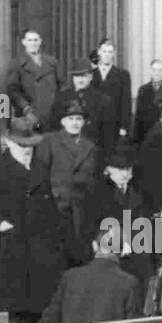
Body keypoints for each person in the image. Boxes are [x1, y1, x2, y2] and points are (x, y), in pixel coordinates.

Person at [0, 116, 69, 323]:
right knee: (18, 316)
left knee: (44, 311)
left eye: (31, 145)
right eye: (21, 145)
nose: (27, 149)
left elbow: (54, 207)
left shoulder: (42, 166)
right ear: (8, 142)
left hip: (44, 252)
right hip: (14, 251)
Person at [29, 97, 102, 264]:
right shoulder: (49, 141)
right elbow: (40, 177)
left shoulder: (91, 147)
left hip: (83, 213)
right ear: (62, 121)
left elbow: (95, 182)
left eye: (79, 119)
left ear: (84, 122)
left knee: (81, 258)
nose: (75, 123)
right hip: (57, 210)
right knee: (57, 259)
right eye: (70, 119)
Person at [39, 219, 145, 323]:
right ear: (122, 251)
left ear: (94, 246)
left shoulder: (69, 278)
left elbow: (48, 322)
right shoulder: (130, 284)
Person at [86, 139, 155, 289]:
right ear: (109, 170)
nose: (124, 174)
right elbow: (92, 224)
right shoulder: (99, 191)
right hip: (111, 252)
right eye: (119, 169)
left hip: (137, 250)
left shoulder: (137, 191)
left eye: (127, 169)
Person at [3, 29, 64, 131]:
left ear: (40, 41)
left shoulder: (52, 62)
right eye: (30, 40)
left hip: (51, 115)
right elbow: (12, 90)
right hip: (29, 116)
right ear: (24, 42)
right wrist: (26, 108)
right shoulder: (16, 64)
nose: (33, 43)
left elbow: (62, 85)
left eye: (36, 40)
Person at [91, 37, 133, 153]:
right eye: (104, 51)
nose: (107, 55)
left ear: (114, 54)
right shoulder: (90, 74)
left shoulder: (123, 75)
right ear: (99, 52)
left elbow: (126, 102)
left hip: (114, 126)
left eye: (110, 52)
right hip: (94, 125)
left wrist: (124, 127)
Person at [50, 57, 104, 135]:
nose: (80, 80)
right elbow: (54, 125)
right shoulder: (62, 97)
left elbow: (107, 133)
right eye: (77, 76)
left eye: (84, 76)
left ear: (91, 77)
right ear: (72, 77)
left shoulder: (101, 99)